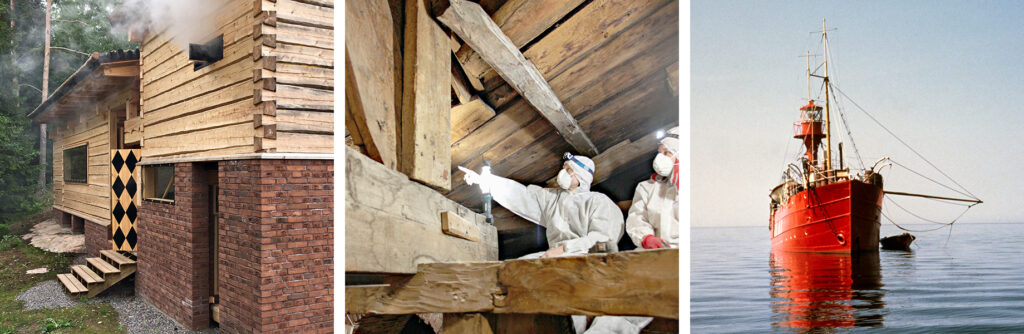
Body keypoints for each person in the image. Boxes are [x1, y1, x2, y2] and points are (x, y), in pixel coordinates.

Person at [462, 152, 623, 259]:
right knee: (516, 267)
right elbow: (520, 196)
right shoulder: (552, 198)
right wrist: (484, 181)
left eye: (568, 169)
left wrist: (564, 249)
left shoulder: (599, 201)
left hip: (586, 257)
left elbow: (603, 239)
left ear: (581, 175)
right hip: (553, 256)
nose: (563, 172)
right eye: (563, 168)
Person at [626, 127, 680, 250]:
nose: (660, 158)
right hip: (656, 252)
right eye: (659, 152)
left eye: (666, 153)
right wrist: (646, 238)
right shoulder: (647, 187)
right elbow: (637, 218)